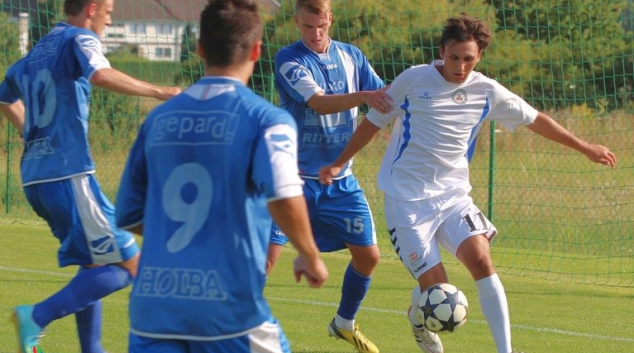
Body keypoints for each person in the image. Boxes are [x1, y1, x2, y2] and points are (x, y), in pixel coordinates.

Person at [319, 13, 616, 353]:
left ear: (479, 58)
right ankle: (418, 320)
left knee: (481, 260)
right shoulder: (413, 80)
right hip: (407, 202)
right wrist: (339, 162)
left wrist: (584, 146)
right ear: (442, 51)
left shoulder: (487, 91)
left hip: (453, 197)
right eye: (454, 57)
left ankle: (506, 350)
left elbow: (536, 120)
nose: (460, 66)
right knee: (437, 292)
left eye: (468, 59)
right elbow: (372, 123)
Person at [114, 0, 329, 352]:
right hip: (226, 307)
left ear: (200, 49)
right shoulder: (266, 119)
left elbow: (128, 213)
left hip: (153, 306)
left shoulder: (157, 120)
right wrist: (309, 253)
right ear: (257, 50)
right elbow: (284, 194)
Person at [0, 0, 181, 352]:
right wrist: (162, 91)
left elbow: (5, 97)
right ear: (92, 7)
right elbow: (100, 74)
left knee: (94, 262)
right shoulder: (80, 38)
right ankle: (35, 316)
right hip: (68, 173)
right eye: (109, 10)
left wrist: (30, 131)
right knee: (131, 265)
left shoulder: (39, 48)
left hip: (36, 176)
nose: (110, 19)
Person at [268, 0, 393, 352]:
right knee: (266, 259)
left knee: (369, 257)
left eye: (321, 26)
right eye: (308, 27)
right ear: (296, 22)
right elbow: (319, 102)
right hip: (291, 181)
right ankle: (228, 329)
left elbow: (385, 97)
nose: (316, 33)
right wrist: (367, 96)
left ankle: (343, 323)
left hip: (339, 182)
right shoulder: (288, 59)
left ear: (330, 20)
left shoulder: (352, 55)